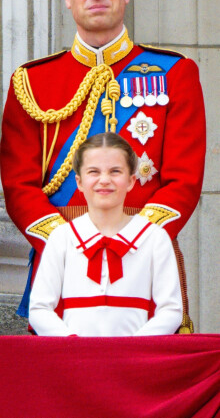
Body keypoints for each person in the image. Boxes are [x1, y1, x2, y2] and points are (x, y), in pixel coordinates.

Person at [1, 0, 205, 331]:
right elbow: (18, 184)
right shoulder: (32, 81)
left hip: (147, 255)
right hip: (58, 257)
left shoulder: (175, 72)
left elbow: (185, 180)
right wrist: (68, 246)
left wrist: (137, 241)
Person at [29, 133, 182, 336]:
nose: (104, 180)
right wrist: (71, 343)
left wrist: (134, 347)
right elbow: (39, 309)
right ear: (79, 182)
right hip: (76, 360)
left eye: (115, 171)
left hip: (134, 361)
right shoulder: (62, 237)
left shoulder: (154, 238)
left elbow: (171, 310)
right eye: (93, 172)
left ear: (131, 181)